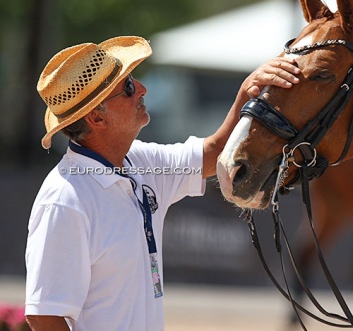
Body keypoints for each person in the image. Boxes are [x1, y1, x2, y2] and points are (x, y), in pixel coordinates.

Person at [24, 36, 300, 331]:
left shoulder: (137, 160)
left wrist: (248, 93)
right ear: (96, 118)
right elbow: (45, 316)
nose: (142, 89)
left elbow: (212, 153)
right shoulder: (65, 200)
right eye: (128, 87)